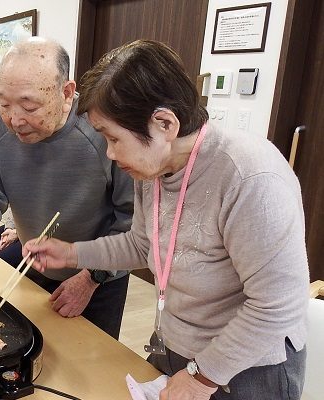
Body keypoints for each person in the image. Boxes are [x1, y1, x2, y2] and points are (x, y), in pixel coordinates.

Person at [25, 40, 308, 400]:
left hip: (248, 368)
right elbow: (143, 245)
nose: (110, 153)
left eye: (114, 138)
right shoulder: (157, 167)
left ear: (164, 123)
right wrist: (73, 254)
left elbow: (277, 305)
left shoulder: (250, 177)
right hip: (180, 351)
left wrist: (202, 378)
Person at [0, 37, 134, 339]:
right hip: (34, 266)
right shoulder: (0, 126)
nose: (15, 120)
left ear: (66, 93)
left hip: (98, 276)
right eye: (4, 103)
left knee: (88, 366)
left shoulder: (102, 131)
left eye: (29, 106)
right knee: (33, 354)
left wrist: (92, 278)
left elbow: (132, 223)